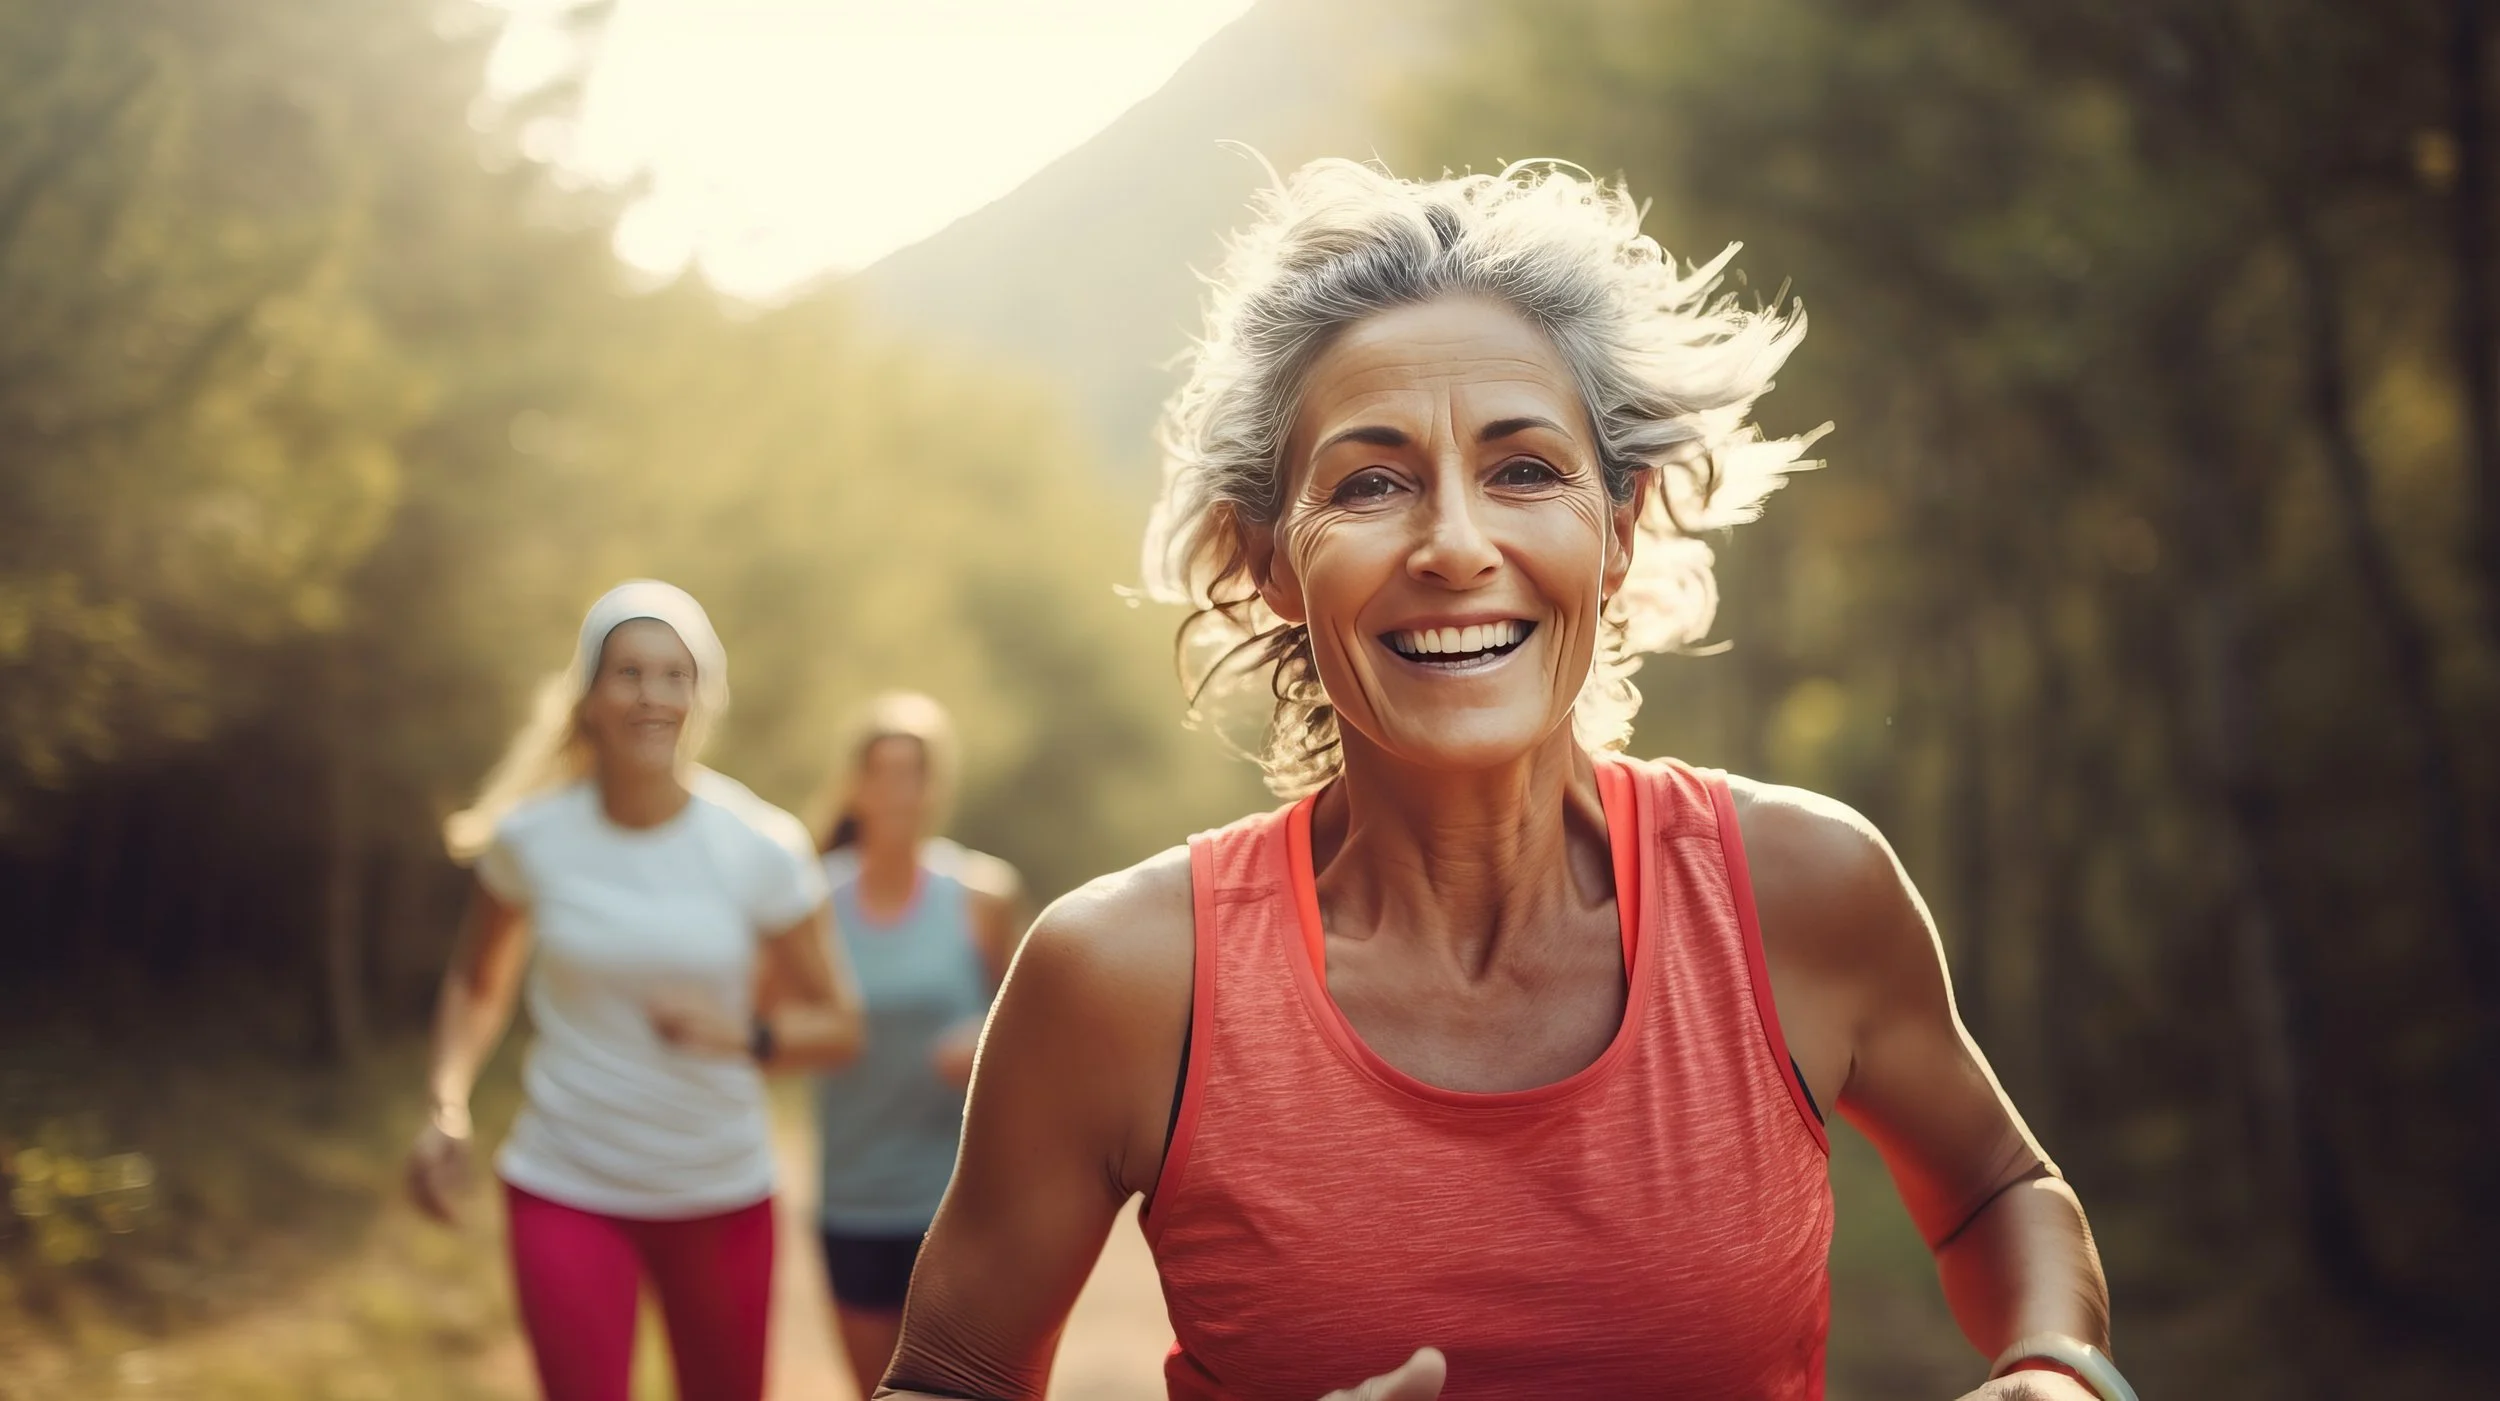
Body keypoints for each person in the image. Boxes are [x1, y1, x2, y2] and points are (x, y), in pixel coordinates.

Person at [871, 161, 2135, 1401]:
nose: (1456, 545)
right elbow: (943, 1385)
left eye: (1524, 469)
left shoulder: (1803, 889)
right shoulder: (1123, 977)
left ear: (1618, 525)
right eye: (1370, 483)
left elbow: (1999, 1191)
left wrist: (2053, 1371)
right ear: (1268, 560)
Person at [406, 579, 866, 1401]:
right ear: (589, 695)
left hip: (720, 1191)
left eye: (673, 675)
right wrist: (447, 1102)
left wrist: (741, 1036)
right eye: (628, 672)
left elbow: (840, 1025)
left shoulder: (760, 846)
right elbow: (477, 983)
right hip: (567, 1182)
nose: (652, 695)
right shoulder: (531, 839)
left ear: (700, 696)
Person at [802, 692, 1024, 1399]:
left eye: (915, 772)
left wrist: (985, 1034)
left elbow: (1034, 1031)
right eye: (884, 771)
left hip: (960, 1202)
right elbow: (772, 1020)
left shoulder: (982, 894)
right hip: (853, 1195)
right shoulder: (811, 901)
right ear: (857, 786)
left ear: (936, 787)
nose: (899, 788)